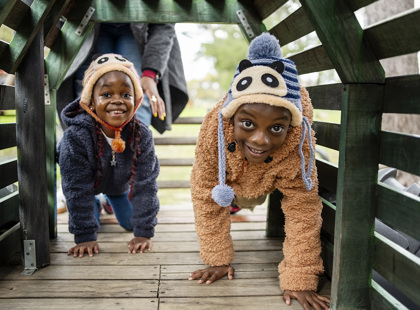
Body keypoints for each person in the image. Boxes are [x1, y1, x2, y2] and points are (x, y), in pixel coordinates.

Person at [188, 33, 330, 309]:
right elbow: (205, 194)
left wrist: (299, 279)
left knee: (266, 197)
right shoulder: (213, 131)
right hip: (231, 179)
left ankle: (242, 201)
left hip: (269, 180)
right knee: (228, 199)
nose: (260, 139)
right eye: (248, 124)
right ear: (233, 117)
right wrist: (217, 259)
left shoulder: (299, 146)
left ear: (291, 127)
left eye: (276, 127)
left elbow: (303, 211)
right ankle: (234, 204)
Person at [57, 53, 160, 257]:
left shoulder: (141, 135)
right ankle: (95, 203)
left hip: (118, 187)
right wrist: (85, 235)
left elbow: (146, 184)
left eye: (125, 95)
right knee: (91, 222)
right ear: (90, 102)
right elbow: (76, 187)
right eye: (106, 95)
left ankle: (108, 201)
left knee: (131, 224)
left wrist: (144, 233)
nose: (117, 101)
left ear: (136, 100)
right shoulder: (75, 137)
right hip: (86, 187)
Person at [57, 23, 188, 134]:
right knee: (87, 99)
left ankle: (135, 154)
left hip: (139, 25)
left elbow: (164, 22)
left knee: (138, 101)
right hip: (90, 23)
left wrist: (150, 74)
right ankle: (86, 154)